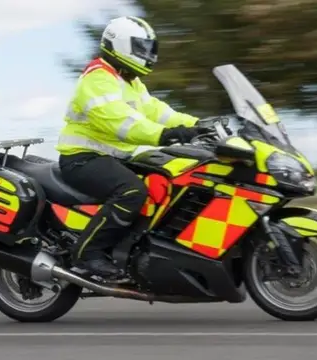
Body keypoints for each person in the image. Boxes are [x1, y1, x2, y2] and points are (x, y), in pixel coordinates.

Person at [55, 15, 206, 277]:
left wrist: (199, 125)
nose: (149, 56)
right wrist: (165, 135)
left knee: (165, 182)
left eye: (150, 49)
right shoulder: (98, 78)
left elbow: (158, 112)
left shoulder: (129, 81)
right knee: (131, 192)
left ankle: (136, 249)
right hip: (82, 159)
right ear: (121, 46)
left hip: (111, 158)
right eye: (142, 49)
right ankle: (87, 253)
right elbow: (120, 122)